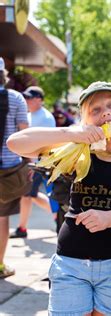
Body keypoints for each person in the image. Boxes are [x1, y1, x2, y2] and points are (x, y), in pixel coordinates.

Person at [7, 81, 111, 315]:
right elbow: (15, 143)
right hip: (70, 261)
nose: (106, 112)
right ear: (85, 120)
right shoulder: (74, 148)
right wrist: (70, 132)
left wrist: (108, 218)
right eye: (95, 110)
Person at [10, 86, 57, 239]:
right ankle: (57, 215)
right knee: (30, 195)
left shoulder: (46, 117)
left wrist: (35, 163)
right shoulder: (29, 116)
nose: (27, 100)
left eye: (30, 97)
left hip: (39, 162)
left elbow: (49, 143)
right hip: (30, 162)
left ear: (39, 99)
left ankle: (58, 215)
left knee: (29, 195)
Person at [0, 57, 29, 278]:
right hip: (8, 168)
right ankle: (0, 265)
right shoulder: (16, 98)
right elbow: (24, 134)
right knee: (2, 217)